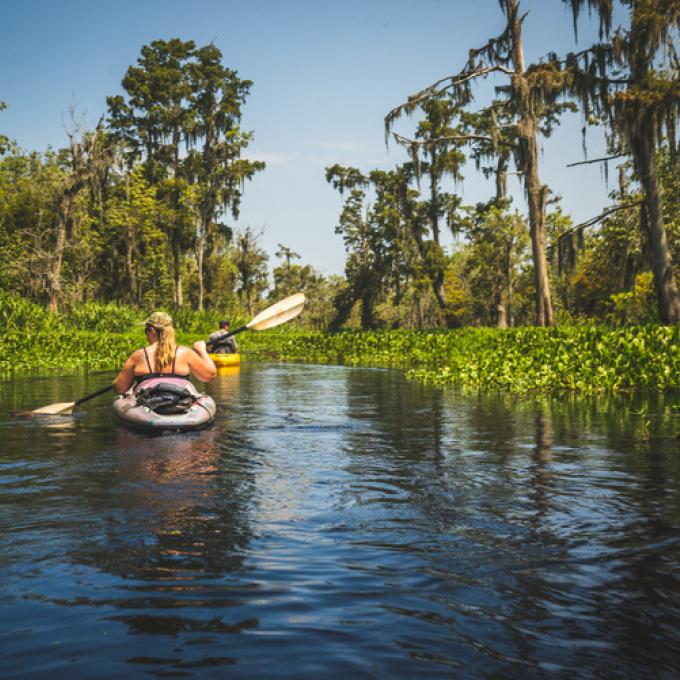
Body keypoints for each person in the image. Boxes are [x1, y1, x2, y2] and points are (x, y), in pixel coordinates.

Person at [113, 311, 216, 394]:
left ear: (152, 331)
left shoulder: (138, 355)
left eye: (146, 331)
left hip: (147, 407)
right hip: (180, 406)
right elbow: (210, 375)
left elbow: (120, 388)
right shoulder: (185, 353)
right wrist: (202, 350)